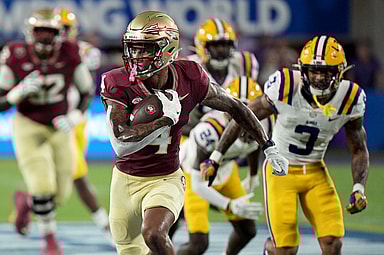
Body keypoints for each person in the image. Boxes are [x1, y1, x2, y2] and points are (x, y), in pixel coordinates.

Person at [99, 11, 288, 255]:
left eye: (145, 48)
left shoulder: (190, 76)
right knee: (130, 250)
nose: (137, 56)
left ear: (167, 49)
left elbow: (235, 106)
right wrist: (164, 120)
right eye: (134, 48)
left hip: (165, 177)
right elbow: (121, 144)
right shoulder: (116, 81)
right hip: (124, 180)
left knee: (154, 233)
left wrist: (268, 145)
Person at [200, 35, 369, 255]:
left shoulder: (351, 98)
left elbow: (358, 147)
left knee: (333, 243)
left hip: (316, 171)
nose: (318, 77)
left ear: (339, 72)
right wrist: (216, 157)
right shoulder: (286, 85)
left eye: (326, 71)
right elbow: (243, 115)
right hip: (281, 171)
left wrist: (359, 187)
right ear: (302, 69)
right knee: (285, 249)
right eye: (313, 71)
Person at [0, 8, 94, 254]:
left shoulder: (70, 53)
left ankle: (27, 201)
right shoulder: (15, 54)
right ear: (30, 33)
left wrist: (75, 115)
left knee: (61, 194)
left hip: (59, 124)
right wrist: (15, 94)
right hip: (27, 124)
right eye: (39, 32)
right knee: (42, 185)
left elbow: (86, 91)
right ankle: (49, 240)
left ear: (59, 33)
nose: (44, 38)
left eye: (49, 32)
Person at [177, 76, 270, 255]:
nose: (243, 120)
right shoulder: (209, 130)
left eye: (249, 114)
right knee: (199, 244)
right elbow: (198, 185)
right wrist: (229, 205)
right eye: (238, 112)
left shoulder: (264, 124)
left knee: (247, 230)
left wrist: (252, 175)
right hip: (193, 175)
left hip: (226, 171)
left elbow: (253, 145)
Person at [55, 7, 113, 245]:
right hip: (59, 119)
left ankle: (27, 206)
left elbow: (86, 85)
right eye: (55, 29)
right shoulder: (47, 54)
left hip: (80, 118)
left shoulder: (83, 52)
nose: (59, 34)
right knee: (77, 173)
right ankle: (105, 224)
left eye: (64, 29)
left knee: (68, 175)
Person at [182, 17, 259, 135]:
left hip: (236, 133)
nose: (221, 50)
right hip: (195, 132)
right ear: (202, 46)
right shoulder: (188, 68)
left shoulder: (245, 63)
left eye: (225, 45)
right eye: (215, 45)